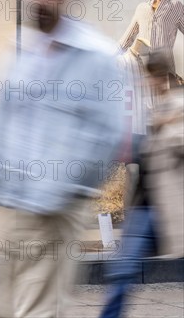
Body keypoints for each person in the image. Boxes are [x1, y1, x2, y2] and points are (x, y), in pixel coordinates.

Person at [0, 0, 125, 317]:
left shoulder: (95, 56)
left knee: (37, 309)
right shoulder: (18, 52)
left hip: (53, 212)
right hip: (6, 208)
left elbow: (109, 136)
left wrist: (63, 187)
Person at [99, 53, 184, 318]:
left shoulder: (178, 104)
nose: (146, 81)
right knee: (122, 270)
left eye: (150, 76)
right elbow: (144, 151)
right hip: (144, 204)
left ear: (161, 77)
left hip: (168, 205)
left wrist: (165, 126)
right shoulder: (154, 108)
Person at [119, 0, 184, 78]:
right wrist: (107, 58)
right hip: (143, 76)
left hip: (166, 76)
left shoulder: (176, 6)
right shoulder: (141, 8)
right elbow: (125, 41)